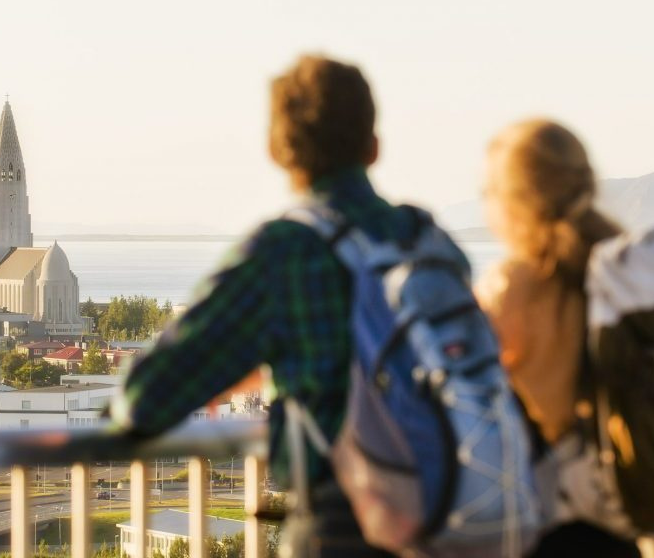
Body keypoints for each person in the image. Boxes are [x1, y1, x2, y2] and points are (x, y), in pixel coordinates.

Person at [110, 55, 430, 557]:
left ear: (278, 151)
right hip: (453, 518)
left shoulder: (286, 251)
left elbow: (145, 399)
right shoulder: (426, 239)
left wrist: (267, 359)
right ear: (374, 147)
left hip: (342, 528)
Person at [475, 118, 642, 558]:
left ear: (513, 202)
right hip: (621, 513)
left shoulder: (510, 289)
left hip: (546, 519)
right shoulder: (626, 271)